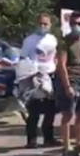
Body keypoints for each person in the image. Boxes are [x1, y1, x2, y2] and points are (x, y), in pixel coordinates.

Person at [20, 13, 60, 148]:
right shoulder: (29, 40)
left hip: (50, 75)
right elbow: (23, 58)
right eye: (40, 23)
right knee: (34, 111)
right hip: (35, 76)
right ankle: (31, 140)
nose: (43, 26)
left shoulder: (52, 39)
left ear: (50, 25)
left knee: (50, 110)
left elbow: (54, 56)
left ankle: (48, 138)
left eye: (46, 24)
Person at [55, 11, 80, 156]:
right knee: (68, 114)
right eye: (74, 24)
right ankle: (66, 146)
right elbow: (61, 65)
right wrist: (67, 85)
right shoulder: (64, 42)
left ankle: (79, 142)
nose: (77, 26)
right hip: (71, 79)